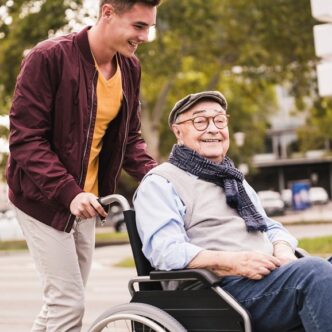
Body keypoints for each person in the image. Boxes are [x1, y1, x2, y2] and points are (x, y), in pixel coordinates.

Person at [7, 1, 160, 331]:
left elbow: (129, 139)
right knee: (68, 303)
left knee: (59, 305)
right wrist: (69, 192)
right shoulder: (48, 58)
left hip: (88, 203)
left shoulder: (129, 69)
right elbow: (25, 139)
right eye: (138, 26)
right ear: (107, 13)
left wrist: (159, 176)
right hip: (43, 200)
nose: (146, 37)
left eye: (149, 27)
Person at [133, 90, 332, 332]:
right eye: (200, 121)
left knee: (319, 269)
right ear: (178, 132)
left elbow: (270, 227)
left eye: (219, 120)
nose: (213, 128)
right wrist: (233, 262)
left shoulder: (233, 179)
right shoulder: (161, 183)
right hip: (217, 293)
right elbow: (165, 251)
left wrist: (284, 252)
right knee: (315, 273)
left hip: (266, 279)